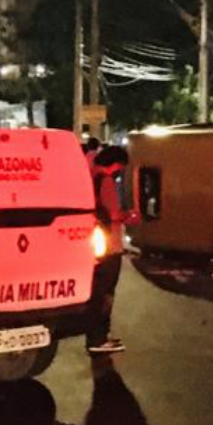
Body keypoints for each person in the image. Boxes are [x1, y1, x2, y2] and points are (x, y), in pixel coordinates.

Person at [88, 145, 136, 354]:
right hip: (110, 244)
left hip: (96, 243)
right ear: (115, 163)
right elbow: (113, 213)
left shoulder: (90, 176)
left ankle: (96, 336)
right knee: (106, 292)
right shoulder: (105, 181)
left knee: (97, 291)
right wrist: (130, 216)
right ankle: (99, 338)